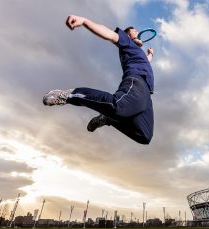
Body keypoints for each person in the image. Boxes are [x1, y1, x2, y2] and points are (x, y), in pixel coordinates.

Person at [43, 15, 155, 145]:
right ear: (127, 35)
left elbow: (146, 62)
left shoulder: (138, 53)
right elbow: (110, 35)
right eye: (133, 30)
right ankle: (69, 95)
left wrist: (150, 54)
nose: (136, 31)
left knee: (144, 135)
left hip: (147, 93)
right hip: (136, 81)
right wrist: (84, 21)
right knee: (117, 106)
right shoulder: (128, 43)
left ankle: (108, 119)